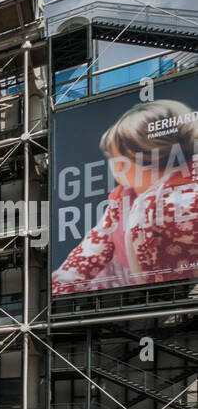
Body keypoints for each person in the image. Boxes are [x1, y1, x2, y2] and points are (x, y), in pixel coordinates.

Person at [51, 99, 198, 294]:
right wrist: (62, 285)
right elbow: (91, 250)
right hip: (135, 290)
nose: (115, 165)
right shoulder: (121, 201)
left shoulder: (186, 195)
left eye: (117, 157)